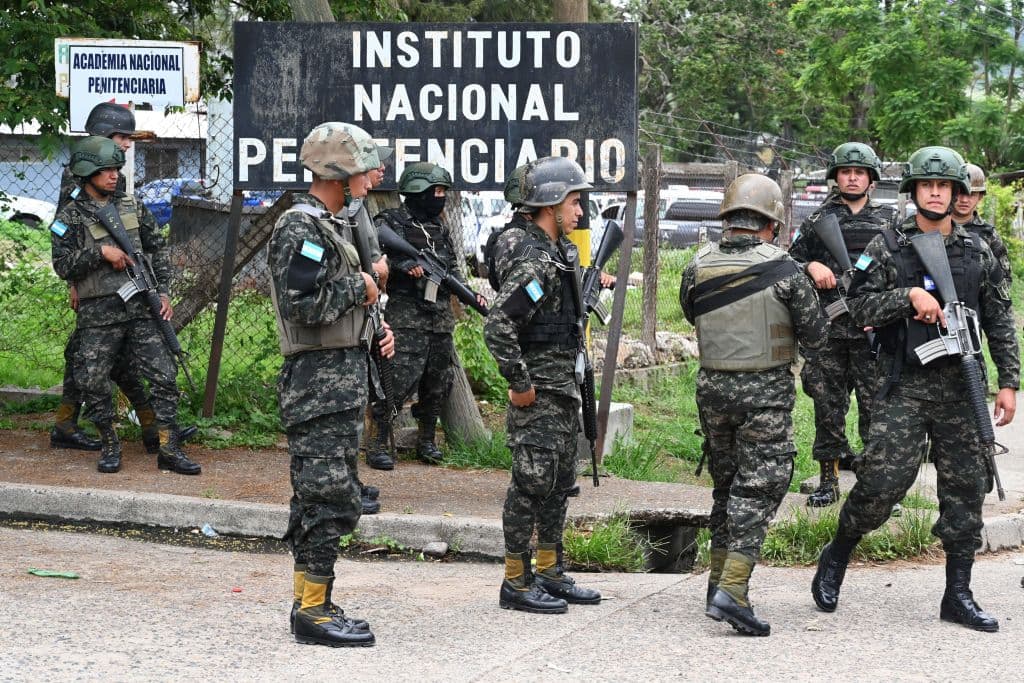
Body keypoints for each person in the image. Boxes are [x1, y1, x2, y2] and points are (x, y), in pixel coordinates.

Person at [812, 146, 1018, 632]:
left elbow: (1000, 321)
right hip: (902, 386)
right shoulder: (888, 245)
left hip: (960, 390)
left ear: (957, 194)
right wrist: (907, 297)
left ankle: (958, 594)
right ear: (913, 191)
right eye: (927, 185)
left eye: (944, 186)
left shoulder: (977, 250)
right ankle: (837, 554)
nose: (935, 192)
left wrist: (1008, 380)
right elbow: (854, 307)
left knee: (966, 491)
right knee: (882, 487)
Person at [680, 173, 828, 636]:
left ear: (729, 219)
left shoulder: (695, 266)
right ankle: (733, 592)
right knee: (759, 489)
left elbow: (692, 312)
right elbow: (817, 336)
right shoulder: (786, 271)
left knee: (727, 487)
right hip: (764, 396)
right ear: (772, 223)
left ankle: (716, 584)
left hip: (712, 392)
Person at [268, 121, 394, 647]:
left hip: (339, 382)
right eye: (364, 167)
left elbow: (341, 304)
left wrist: (377, 327)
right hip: (317, 386)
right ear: (340, 173)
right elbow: (301, 305)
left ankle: (311, 600)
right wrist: (360, 286)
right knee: (328, 500)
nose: (371, 176)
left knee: (321, 496)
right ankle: (312, 613)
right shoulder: (301, 230)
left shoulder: (334, 225)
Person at [484, 155, 601, 614]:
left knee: (558, 483)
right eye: (575, 202)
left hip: (562, 389)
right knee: (530, 485)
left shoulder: (555, 254)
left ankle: (550, 571)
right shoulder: (535, 265)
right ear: (551, 204)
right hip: (540, 394)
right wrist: (520, 383)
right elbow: (498, 326)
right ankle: (516, 580)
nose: (580, 212)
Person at [51, 102, 197, 453]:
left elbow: (138, 236)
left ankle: (148, 427)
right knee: (88, 358)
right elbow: (68, 231)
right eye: (121, 137)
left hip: (126, 289)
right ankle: (72, 425)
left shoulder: (115, 175)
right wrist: (75, 283)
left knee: (109, 359)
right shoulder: (81, 172)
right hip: (95, 287)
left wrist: (158, 286)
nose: (127, 144)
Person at [789, 142, 895, 507]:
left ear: (870, 179)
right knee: (828, 408)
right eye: (846, 172)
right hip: (829, 332)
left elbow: (904, 270)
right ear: (835, 177)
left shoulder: (888, 221)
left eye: (859, 172)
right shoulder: (818, 220)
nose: (852, 177)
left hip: (873, 332)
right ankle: (828, 481)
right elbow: (788, 263)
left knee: (876, 411)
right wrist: (810, 266)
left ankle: (877, 488)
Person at [366, 162, 484, 469]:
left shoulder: (440, 227)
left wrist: (468, 293)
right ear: (418, 192)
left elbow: (453, 267)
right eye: (437, 192)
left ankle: (427, 440)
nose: (440, 198)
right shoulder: (390, 221)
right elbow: (373, 258)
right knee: (398, 379)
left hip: (440, 319)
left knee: (437, 382)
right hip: (406, 318)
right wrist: (403, 268)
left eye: (444, 192)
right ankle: (378, 442)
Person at [952, 163, 1013, 292]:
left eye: (972, 194)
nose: (964, 200)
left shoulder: (989, 234)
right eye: (960, 193)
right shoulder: (936, 228)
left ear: (980, 197)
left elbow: (1004, 280)